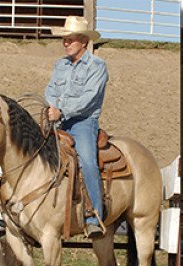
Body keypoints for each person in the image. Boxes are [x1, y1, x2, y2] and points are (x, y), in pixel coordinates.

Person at [45, 16, 109, 239]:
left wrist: (61, 110)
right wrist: (52, 107)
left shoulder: (97, 66)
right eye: (64, 39)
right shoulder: (60, 65)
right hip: (58, 120)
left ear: (83, 41)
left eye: (70, 39)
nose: (65, 43)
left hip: (83, 122)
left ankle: (94, 216)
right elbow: (51, 89)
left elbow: (88, 99)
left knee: (89, 162)